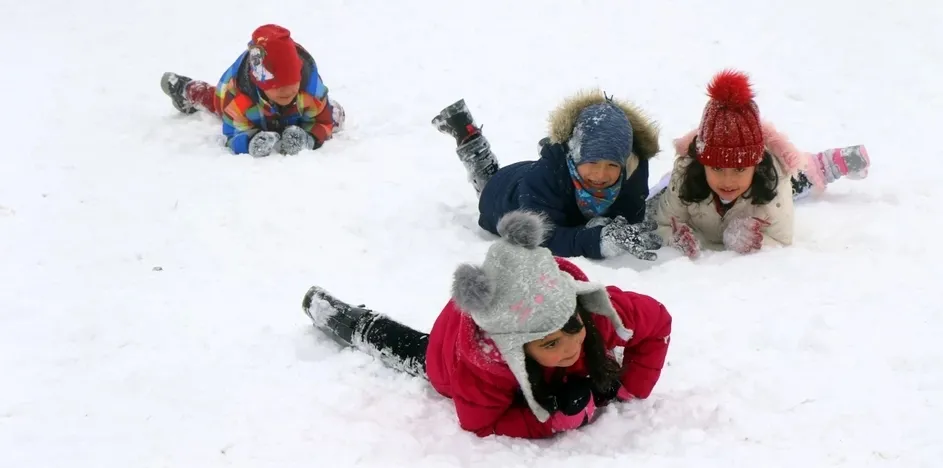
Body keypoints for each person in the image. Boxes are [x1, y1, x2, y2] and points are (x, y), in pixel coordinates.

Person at [302, 210, 673, 439]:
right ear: (515, 347)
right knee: (412, 349)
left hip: (508, 307)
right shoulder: (484, 367)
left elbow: (657, 324)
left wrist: (628, 387)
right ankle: (344, 319)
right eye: (548, 344)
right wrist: (550, 421)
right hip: (450, 353)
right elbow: (480, 424)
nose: (569, 348)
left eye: (572, 329)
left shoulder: (592, 311)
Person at [650, 69, 870, 258]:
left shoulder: (773, 180)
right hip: (695, 185)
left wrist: (744, 239)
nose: (728, 180)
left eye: (739, 169)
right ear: (702, 163)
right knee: (660, 194)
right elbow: (663, 225)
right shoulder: (685, 175)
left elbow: (781, 238)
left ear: (755, 164)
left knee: (798, 178)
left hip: (763, 188)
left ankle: (823, 165)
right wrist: (679, 238)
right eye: (716, 168)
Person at [431, 91, 663, 261]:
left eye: (612, 164)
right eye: (591, 162)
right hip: (505, 195)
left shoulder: (633, 169)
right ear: (574, 155)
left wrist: (609, 226)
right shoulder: (544, 178)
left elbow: (630, 214)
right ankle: (469, 138)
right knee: (487, 180)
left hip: (544, 180)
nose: (601, 175)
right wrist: (596, 240)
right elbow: (540, 237)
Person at [159, 24, 345, 157]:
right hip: (246, 105)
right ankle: (186, 90)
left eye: (292, 82)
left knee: (334, 115)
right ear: (261, 84)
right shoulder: (239, 99)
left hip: (295, 112)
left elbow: (323, 121)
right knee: (216, 102)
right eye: (277, 86)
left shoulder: (310, 91)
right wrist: (249, 142)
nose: (287, 91)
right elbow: (232, 134)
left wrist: (309, 138)